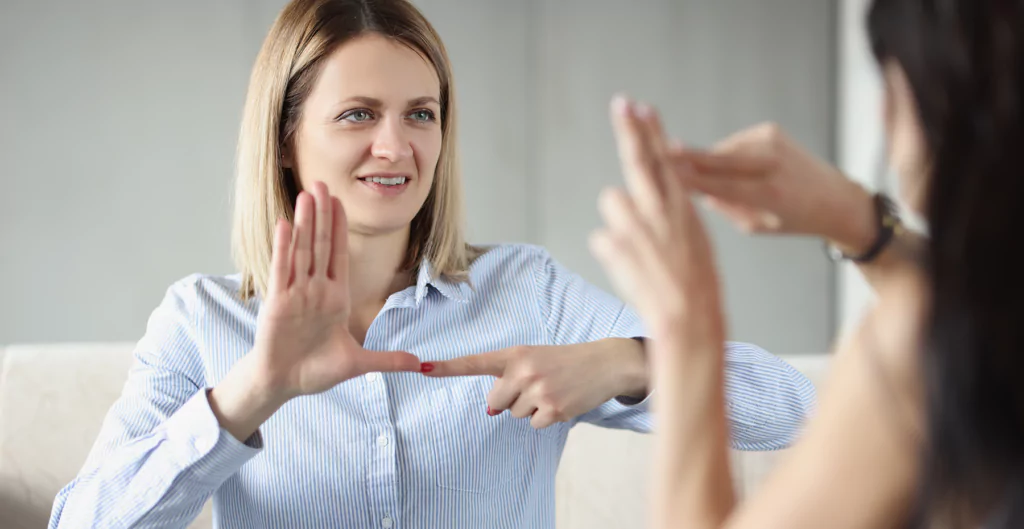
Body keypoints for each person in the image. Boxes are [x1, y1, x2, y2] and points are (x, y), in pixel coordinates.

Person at [47, 1, 815, 528]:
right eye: (358, 115)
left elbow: (793, 410)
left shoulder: (527, 292)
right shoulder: (200, 321)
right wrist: (253, 391)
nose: (397, 146)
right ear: (284, 137)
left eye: (421, 113)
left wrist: (624, 361)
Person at [590, 0, 1024, 527]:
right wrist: (864, 223)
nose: (885, 122)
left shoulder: (917, 347)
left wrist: (688, 328)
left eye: (892, 81)